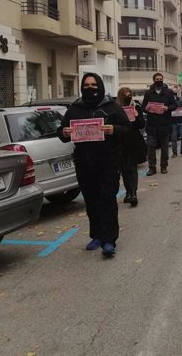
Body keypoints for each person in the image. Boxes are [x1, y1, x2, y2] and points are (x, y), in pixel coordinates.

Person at [58, 73, 129, 257]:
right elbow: (61, 132)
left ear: (100, 86)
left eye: (93, 84)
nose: (90, 88)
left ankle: (109, 240)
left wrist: (115, 129)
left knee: (107, 200)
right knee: (91, 201)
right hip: (84, 163)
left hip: (108, 162)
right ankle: (96, 235)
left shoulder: (112, 107)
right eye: (87, 85)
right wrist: (65, 133)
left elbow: (128, 130)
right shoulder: (74, 109)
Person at [141, 72, 176, 175]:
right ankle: (152, 168)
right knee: (151, 148)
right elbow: (143, 107)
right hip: (152, 125)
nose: (159, 81)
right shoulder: (148, 93)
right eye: (157, 79)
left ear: (163, 80)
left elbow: (174, 105)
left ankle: (164, 166)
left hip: (164, 124)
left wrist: (167, 108)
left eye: (160, 79)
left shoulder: (169, 92)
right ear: (154, 80)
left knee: (164, 148)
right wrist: (147, 109)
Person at [116, 87, 146, 207]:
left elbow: (141, 124)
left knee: (132, 168)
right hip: (121, 141)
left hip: (134, 140)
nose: (127, 97)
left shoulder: (136, 106)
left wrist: (137, 115)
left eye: (129, 94)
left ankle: (133, 193)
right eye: (125, 95)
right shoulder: (116, 108)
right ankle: (128, 191)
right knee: (124, 168)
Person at [171, 90, 182, 158]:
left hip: (181, 121)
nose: (174, 95)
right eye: (173, 94)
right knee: (174, 138)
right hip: (173, 122)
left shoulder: (181, 100)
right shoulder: (169, 101)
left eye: (175, 93)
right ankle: (174, 152)